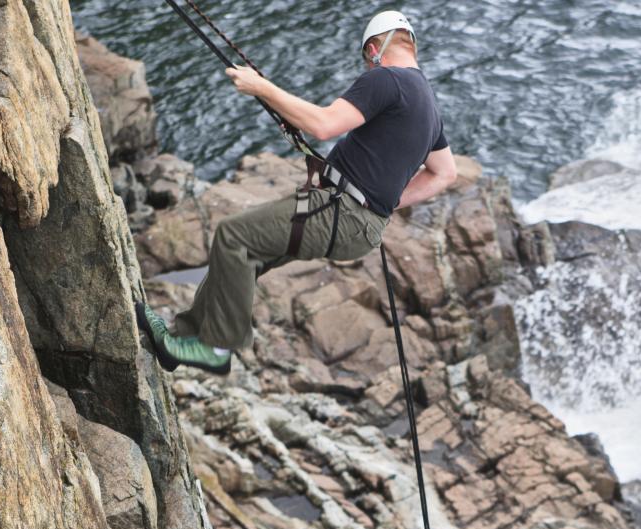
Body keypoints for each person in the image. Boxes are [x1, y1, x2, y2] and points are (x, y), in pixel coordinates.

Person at [136, 10, 458, 375]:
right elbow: (444, 173)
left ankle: (217, 347)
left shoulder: (386, 79)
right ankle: (186, 338)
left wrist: (262, 88)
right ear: (410, 44)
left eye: (367, 62)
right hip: (356, 221)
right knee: (247, 255)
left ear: (373, 49)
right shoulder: (429, 105)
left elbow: (324, 125)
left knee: (233, 236)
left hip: (342, 211)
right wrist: (387, 197)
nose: (368, 69)